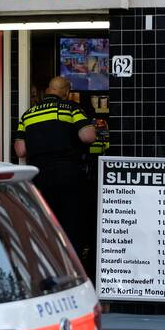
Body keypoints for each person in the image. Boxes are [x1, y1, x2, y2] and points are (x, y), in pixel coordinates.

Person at [14, 76, 96, 253]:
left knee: (45, 220)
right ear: (66, 92)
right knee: (71, 220)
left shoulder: (28, 114)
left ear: (48, 90)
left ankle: (49, 257)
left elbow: (20, 150)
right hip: (68, 174)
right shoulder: (71, 107)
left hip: (39, 176)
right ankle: (72, 259)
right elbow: (88, 136)